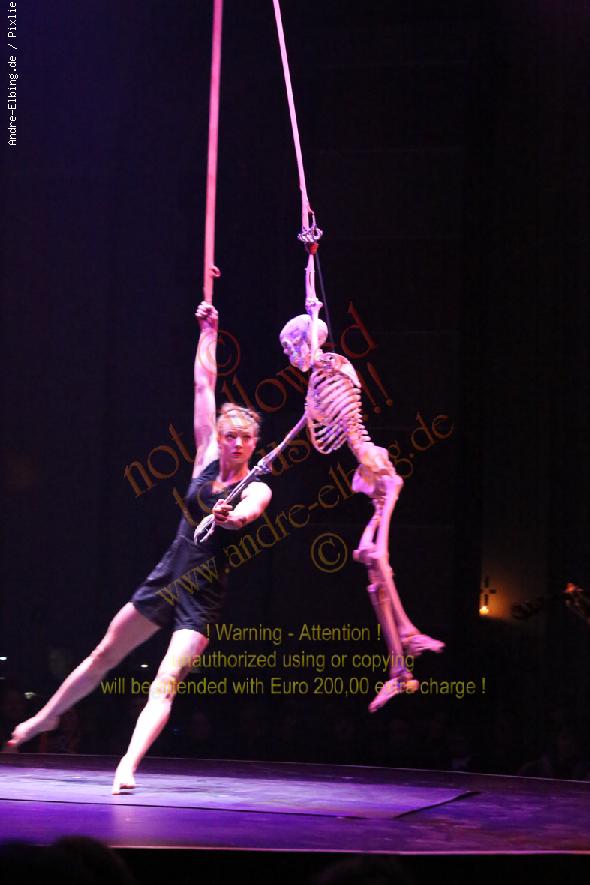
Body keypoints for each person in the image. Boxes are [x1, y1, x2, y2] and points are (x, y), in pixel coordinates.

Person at [4, 301, 272, 793]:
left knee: (165, 681)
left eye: (245, 437)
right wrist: (208, 332)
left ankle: (127, 764)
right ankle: (45, 717)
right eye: (230, 435)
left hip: (202, 597)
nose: (236, 443)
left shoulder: (257, 486)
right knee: (104, 653)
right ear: (219, 437)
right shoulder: (205, 461)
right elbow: (204, 384)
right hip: (168, 575)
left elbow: (250, 512)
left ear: (255, 443)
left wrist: (229, 516)